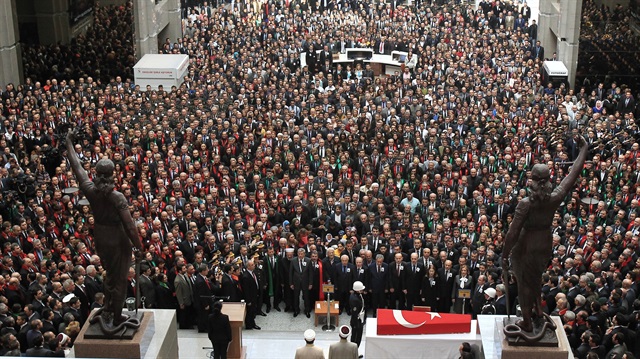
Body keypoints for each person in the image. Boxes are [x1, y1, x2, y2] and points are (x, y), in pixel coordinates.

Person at [502, 135, 588, 332]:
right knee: (536, 278)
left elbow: (513, 232)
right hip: (545, 241)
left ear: (531, 180)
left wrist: (504, 254)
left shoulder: (526, 204)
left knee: (524, 281)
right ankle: (538, 312)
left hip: (526, 243)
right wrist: (584, 150)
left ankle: (527, 321)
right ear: (548, 180)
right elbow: (572, 175)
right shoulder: (555, 197)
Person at [64, 128, 144, 333]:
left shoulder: (90, 189)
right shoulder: (117, 197)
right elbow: (129, 225)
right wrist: (139, 247)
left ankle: (108, 308)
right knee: (119, 279)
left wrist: (69, 144)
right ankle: (116, 316)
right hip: (117, 238)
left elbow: (77, 167)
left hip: (100, 236)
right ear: (112, 175)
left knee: (110, 275)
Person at [350, 281, 365, 352]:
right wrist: (357, 325)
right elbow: (354, 313)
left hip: (359, 319)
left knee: (357, 338)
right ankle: (353, 353)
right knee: (356, 339)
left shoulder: (358, 295)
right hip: (356, 322)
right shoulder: (354, 299)